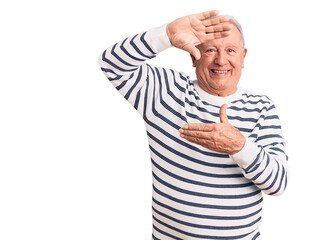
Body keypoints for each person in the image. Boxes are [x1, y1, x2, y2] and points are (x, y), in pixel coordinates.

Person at [98, 10, 288, 240]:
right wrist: (166, 34)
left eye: (230, 50)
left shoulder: (262, 107)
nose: (220, 60)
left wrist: (240, 146)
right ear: (193, 56)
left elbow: (277, 183)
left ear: (243, 56)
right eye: (210, 50)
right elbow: (110, 63)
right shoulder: (165, 91)